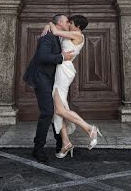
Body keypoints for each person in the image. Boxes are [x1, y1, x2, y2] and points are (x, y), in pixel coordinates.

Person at [42, 14, 102, 159]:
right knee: (58, 109)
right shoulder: (71, 34)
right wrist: (48, 25)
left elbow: (56, 32)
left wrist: (50, 22)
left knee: (60, 109)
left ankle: (89, 128)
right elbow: (57, 34)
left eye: (72, 23)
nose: (69, 24)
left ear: (78, 26)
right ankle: (66, 143)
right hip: (61, 69)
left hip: (64, 70)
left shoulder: (77, 34)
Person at [23, 14, 74, 163]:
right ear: (59, 23)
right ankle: (38, 148)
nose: (68, 24)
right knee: (47, 112)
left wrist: (48, 24)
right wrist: (62, 57)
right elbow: (42, 57)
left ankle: (60, 143)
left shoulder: (59, 35)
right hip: (41, 77)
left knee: (56, 110)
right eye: (66, 22)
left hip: (52, 79)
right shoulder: (48, 37)